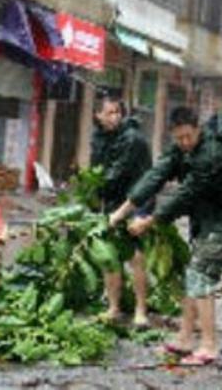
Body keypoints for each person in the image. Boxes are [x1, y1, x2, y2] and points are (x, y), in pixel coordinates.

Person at [109, 107, 222, 366]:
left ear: (198, 129)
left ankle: (209, 345)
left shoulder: (213, 154)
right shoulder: (180, 150)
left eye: (188, 137)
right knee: (192, 273)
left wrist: (150, 220)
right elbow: (154, 177)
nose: (184, 143)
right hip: (210, 215)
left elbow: (186, 195)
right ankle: (184, 338)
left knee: (200, 273)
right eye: (178, 138)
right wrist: (121, 212)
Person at [90, 95, 154, 326]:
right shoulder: (98, 137)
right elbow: (96, 170)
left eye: (118, 112)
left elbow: (115, 173)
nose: (115, 117)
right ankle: (114, 307)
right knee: (110, 255)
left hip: (138, 199)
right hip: (114, 198)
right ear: (97, 115)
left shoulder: (132, 139)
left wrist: (91, 191)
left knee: (136, 256)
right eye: (109, 112)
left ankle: (140, 311)